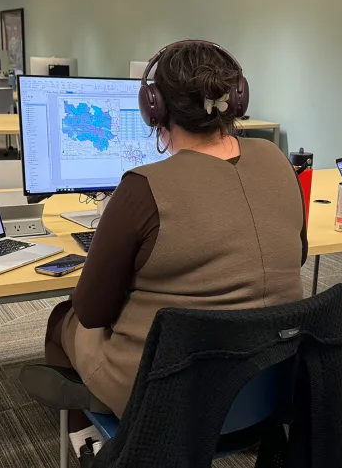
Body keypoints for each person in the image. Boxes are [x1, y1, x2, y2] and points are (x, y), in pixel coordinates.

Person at [23, 41, 308, 444]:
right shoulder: (278, 159)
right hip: (270, 381)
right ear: (238, 98)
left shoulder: (143, 187)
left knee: (63, 318)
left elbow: (91, 311)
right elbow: (296, 256)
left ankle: (91, 442)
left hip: (170, 393)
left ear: (153, 106)